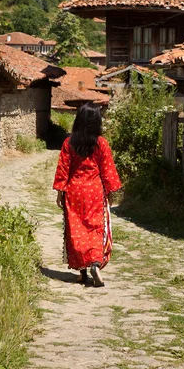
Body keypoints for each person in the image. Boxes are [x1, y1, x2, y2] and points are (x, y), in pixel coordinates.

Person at [53, 103, 121, 287]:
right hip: (94, 192)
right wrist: (111, 191)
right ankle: (96, 264)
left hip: (74, 191)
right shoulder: (101, 143)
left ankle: (82, 273)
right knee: (95, 228)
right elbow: (107, 170)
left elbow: (63, 169)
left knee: (76, 230)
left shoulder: (68, 143)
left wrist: (60, 192)